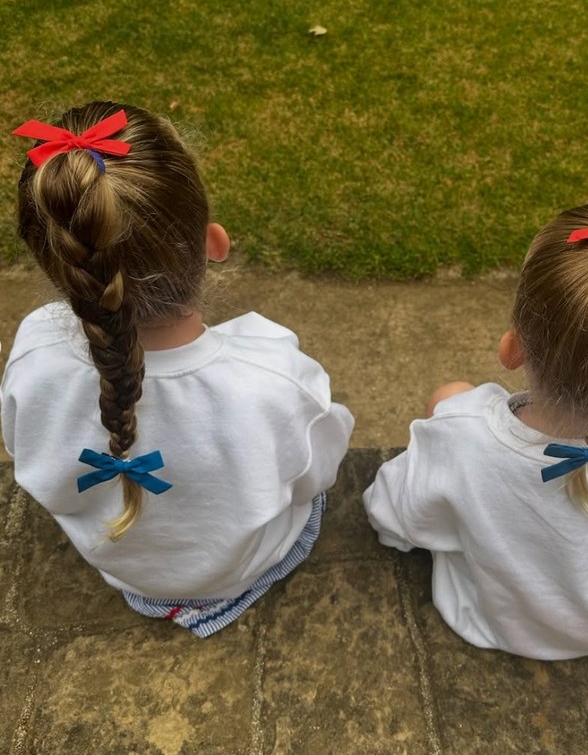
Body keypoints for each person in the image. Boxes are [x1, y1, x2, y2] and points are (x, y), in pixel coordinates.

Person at [1, 102, 354, 637]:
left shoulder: (35, 351)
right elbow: (316, 475)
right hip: (239, 571)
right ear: (214, 243)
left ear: (57, 265)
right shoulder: (270, 376)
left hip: (120, 570)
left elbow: (22, 445)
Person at [363, 203, 588, 663]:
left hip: (488, 621)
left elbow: (393, 513)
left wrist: (396, 531)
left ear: (512, 348)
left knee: (451, 394)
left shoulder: (459, 436)